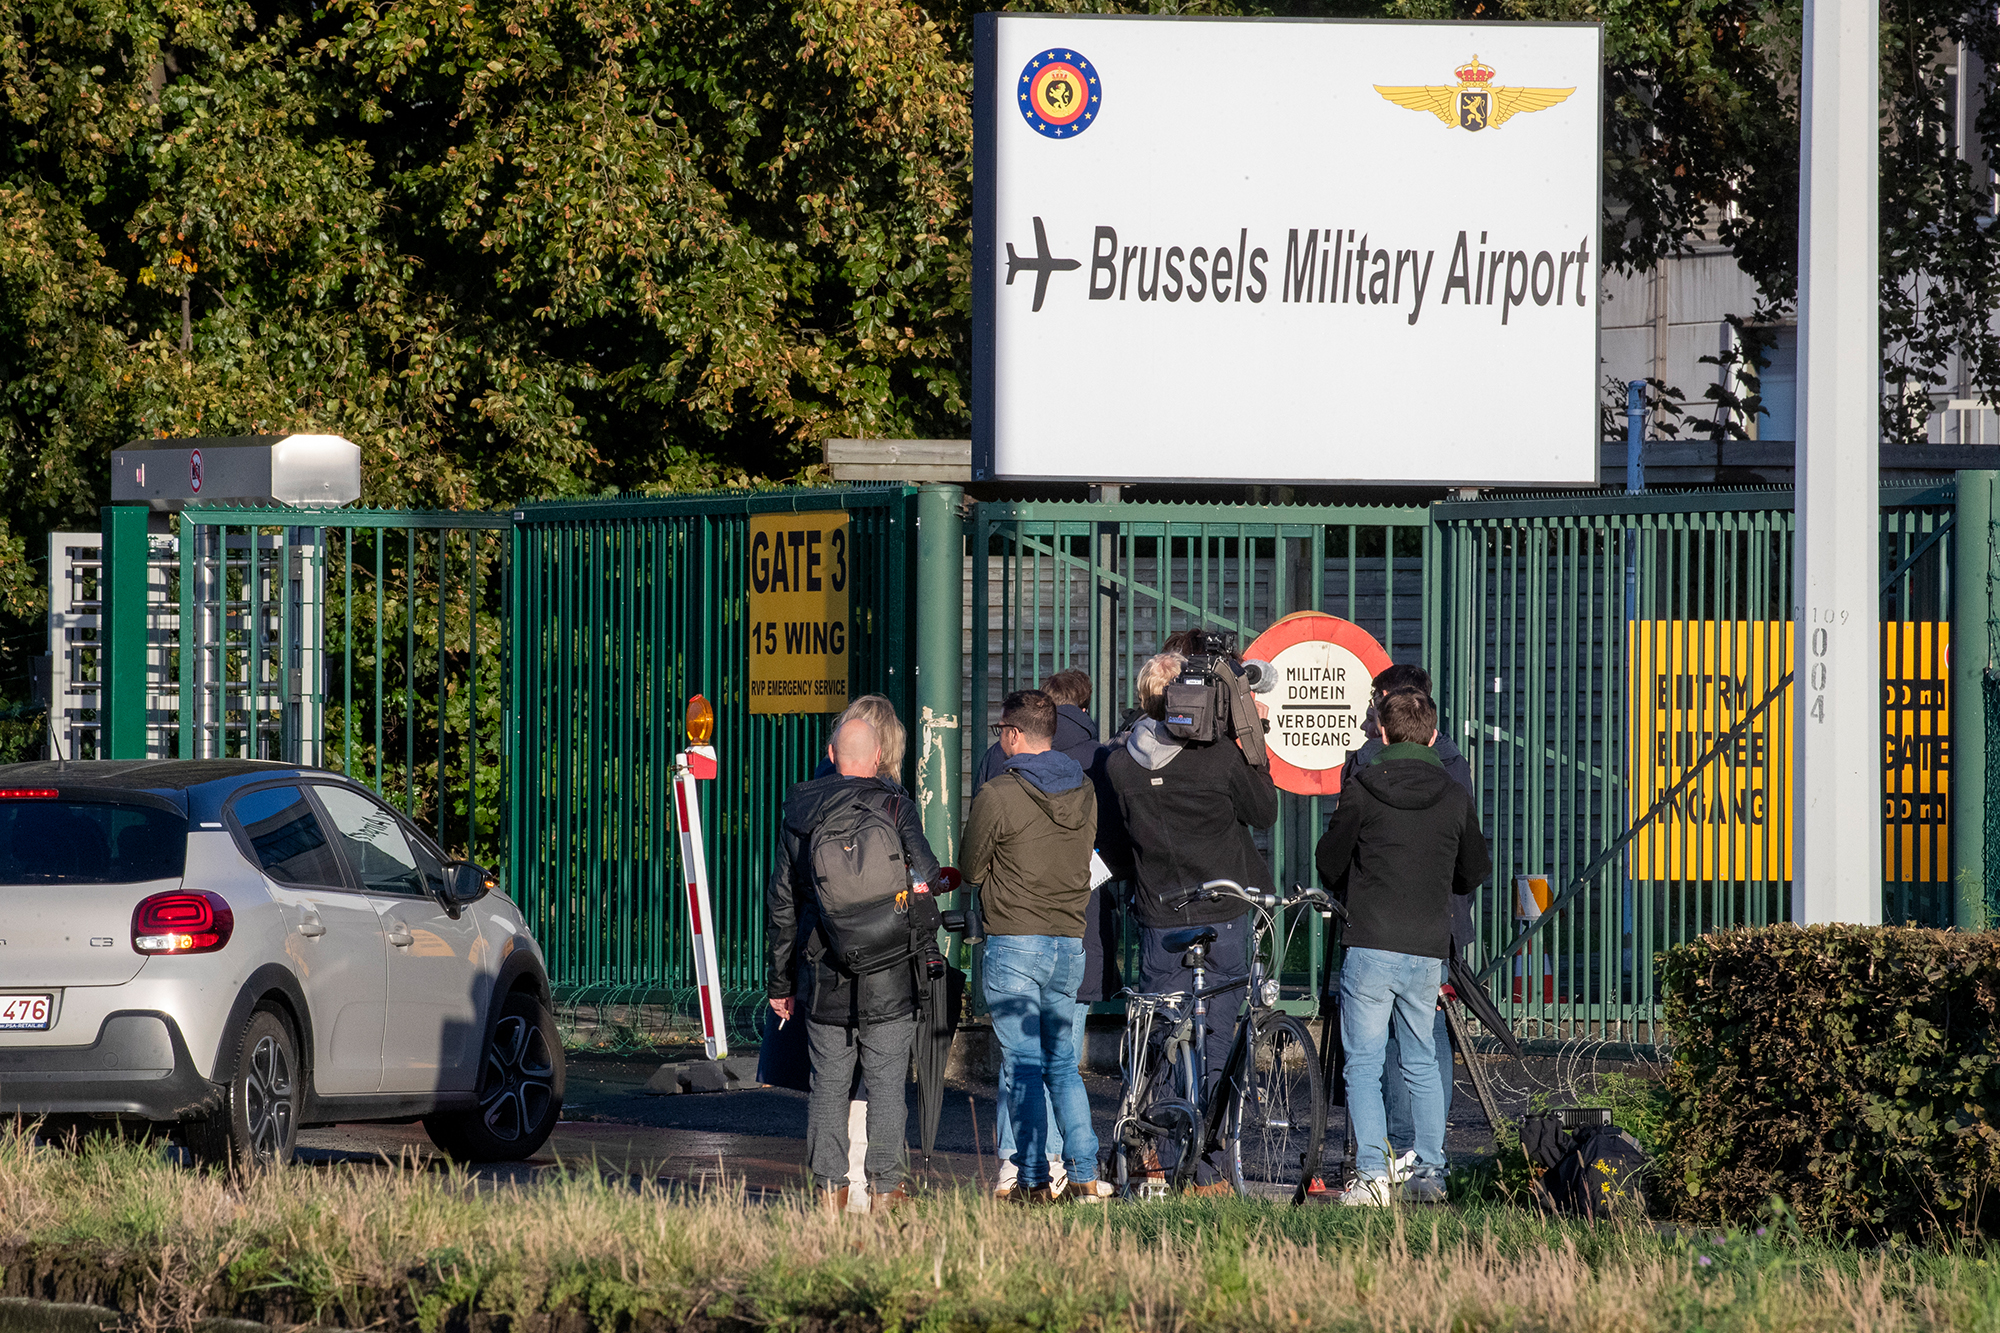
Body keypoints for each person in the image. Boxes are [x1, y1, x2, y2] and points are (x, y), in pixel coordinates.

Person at [1102, 648, 1278, 1194]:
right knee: (1216, 1038)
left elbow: (1115, 841)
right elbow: (1264, 811)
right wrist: (1249, 744)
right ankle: (1205, 1171)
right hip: (1223, 911)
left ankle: (1152, 1153)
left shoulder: (1119, 762)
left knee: (1160, 1034)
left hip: (1159, 913)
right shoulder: (1222, 759)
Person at [1315, 689, 1491, 1205]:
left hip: (1371, 942)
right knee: (1422, 1062)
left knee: (1364, 1064)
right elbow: (1474, 871)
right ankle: (1431, 1172)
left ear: (1383, 732)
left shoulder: (1364, 787)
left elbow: (1330, 862)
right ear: (1433, 735)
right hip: (1427, 948)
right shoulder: (1454, 793)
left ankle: (1372, 1175)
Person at [765, 716, 940, 1214]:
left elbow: (781, 905)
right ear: (880, 756)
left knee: (829, 1087)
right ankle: (886, 1193)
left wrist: (781, 982)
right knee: (886, 1086)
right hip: (890, 970)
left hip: (825, 972)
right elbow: (926, 876)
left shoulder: (800, 811)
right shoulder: (895, 806)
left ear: (831, 751)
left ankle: (828, 1195)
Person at [971, 670, 1122, 1196]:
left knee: (1024, 1065)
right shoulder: (1084, 790)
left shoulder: (998, 792)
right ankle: (1083, 1174)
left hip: (1015, 938)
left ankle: (1033, 1177)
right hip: (1068, 941)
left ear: (1013, 734)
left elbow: (970, 867)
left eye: (999, 730)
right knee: (1063, 1067)